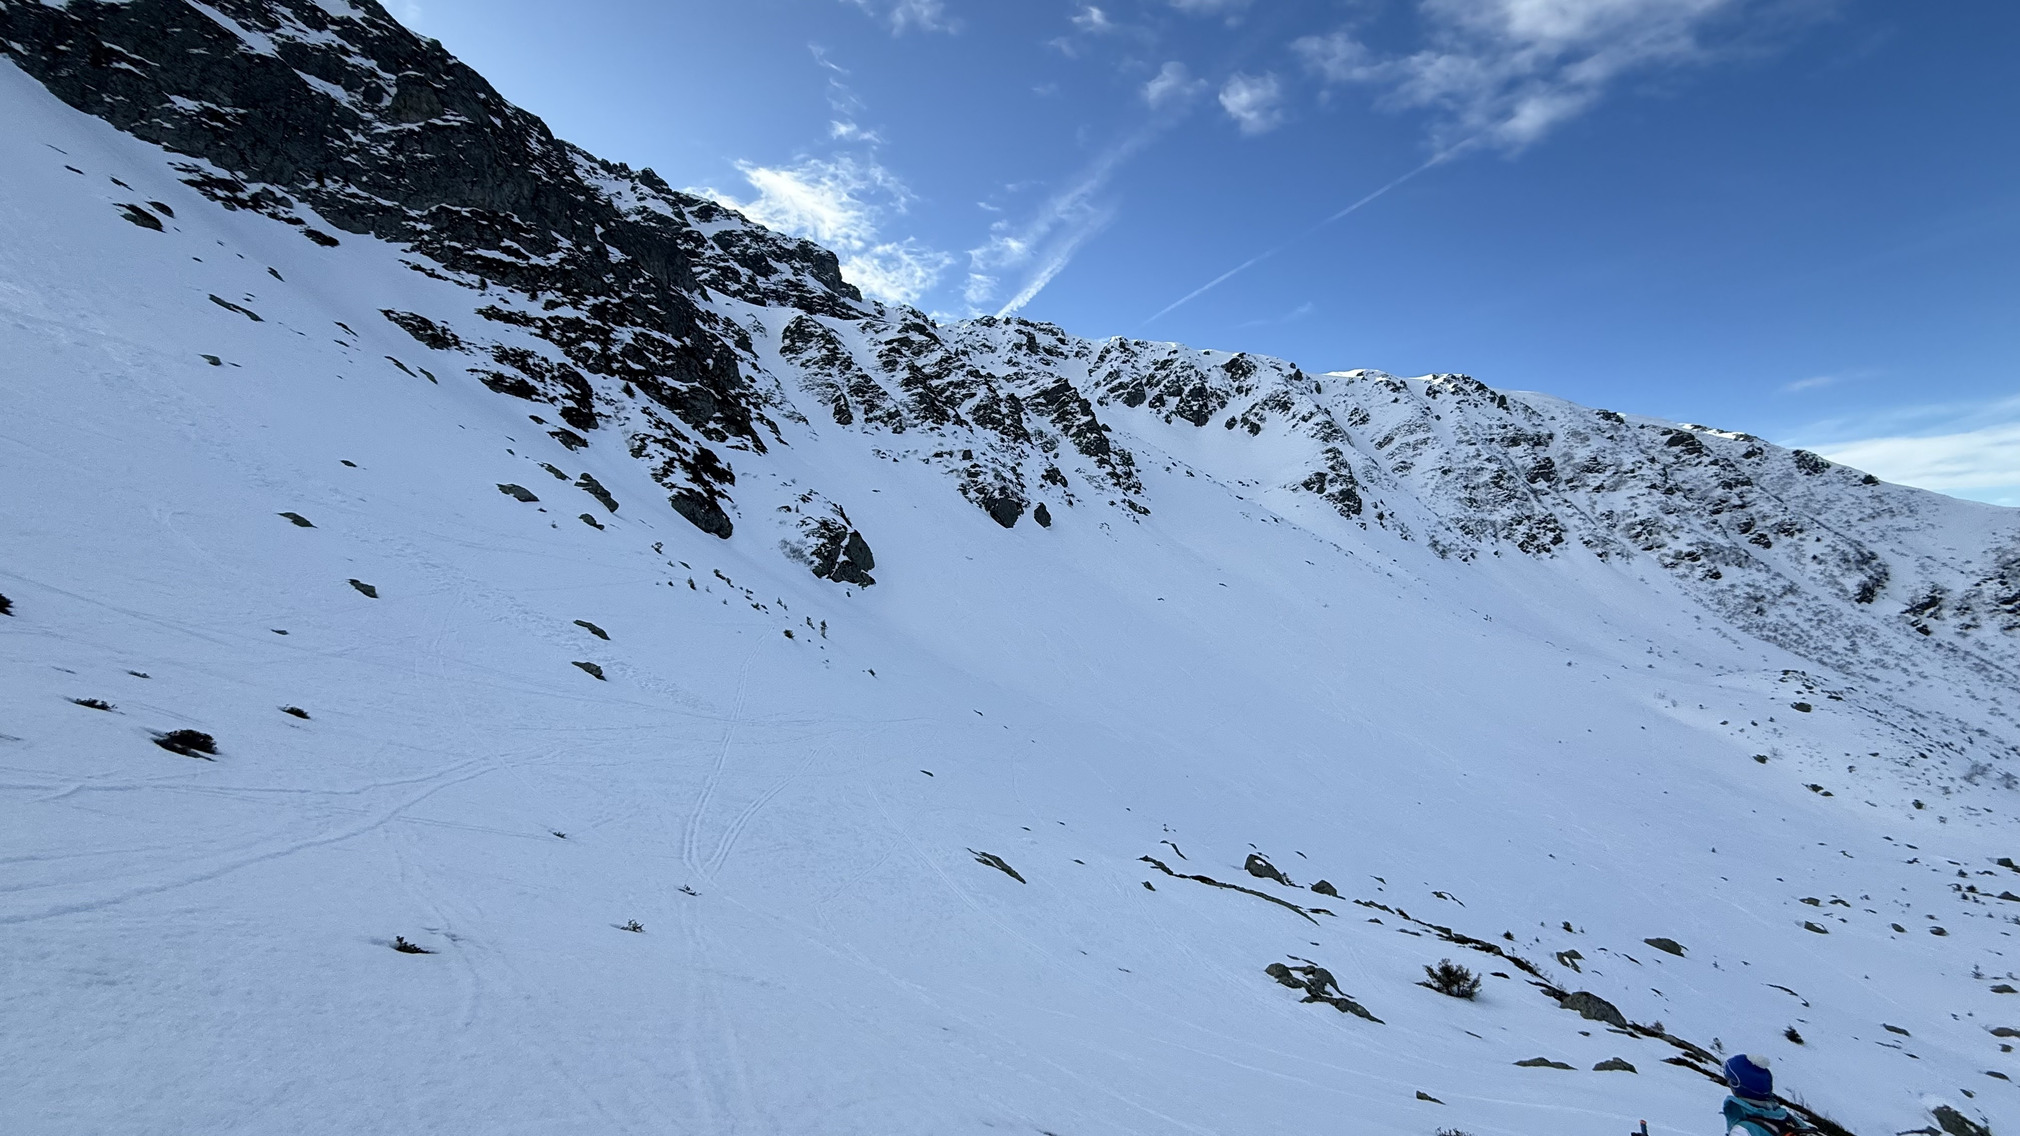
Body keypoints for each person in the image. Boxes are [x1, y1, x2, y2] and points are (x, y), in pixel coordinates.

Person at [1721, 1054, 1808, 1136]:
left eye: (1729, 1080)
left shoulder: (1744, 1130)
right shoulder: (1791, 1121)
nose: (1728, 1084)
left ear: (1737, 1085)